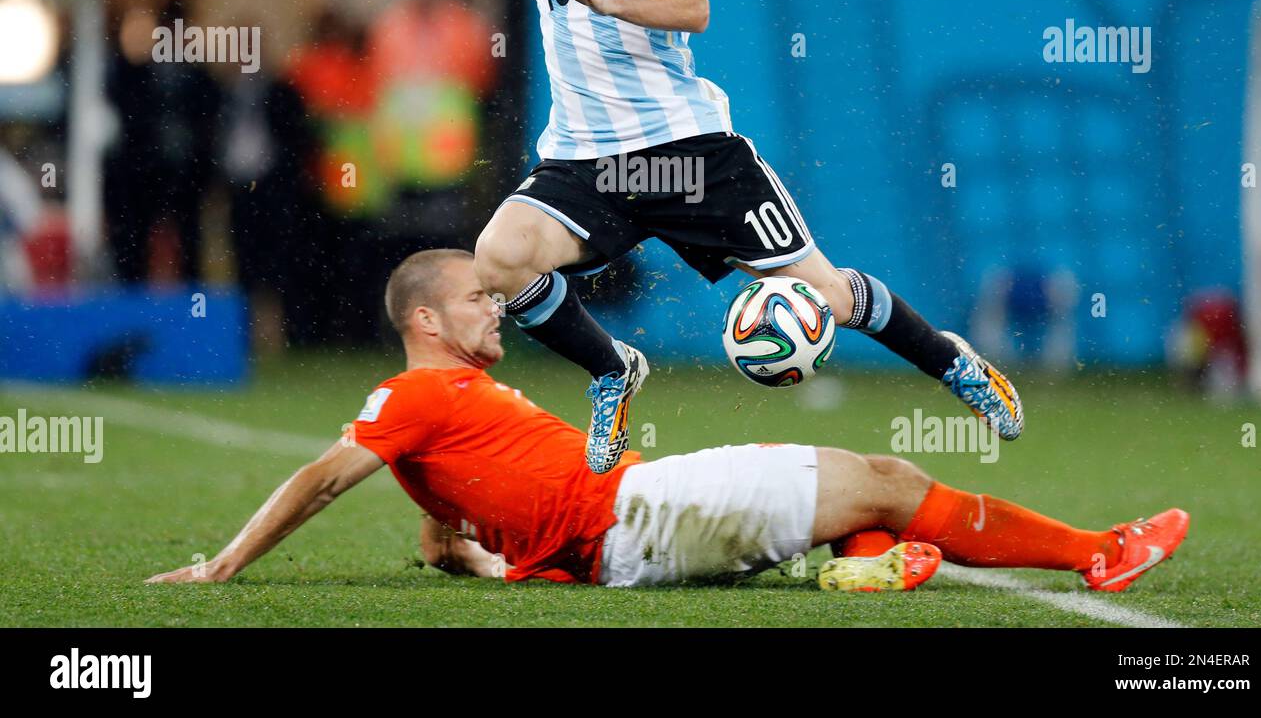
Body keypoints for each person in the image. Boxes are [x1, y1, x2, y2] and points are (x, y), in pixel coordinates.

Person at [474, 0, 1023, 476]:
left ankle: (951, 361)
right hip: (585, 158)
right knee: (498, 258)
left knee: (825, 293)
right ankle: (613, 371)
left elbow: (694, 6)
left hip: (686, 154)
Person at [145, 249, 1188, 593]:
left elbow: (437, 535)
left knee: (854, 506)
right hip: (636, 515)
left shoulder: (441, 412)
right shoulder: (414, 394)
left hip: (624, 530)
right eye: (478, 296)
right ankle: (1099, 550)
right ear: (425, 320)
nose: (497, 303)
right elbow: (324, 478)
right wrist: (224, 563)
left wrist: (489, 561)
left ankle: (857, 566)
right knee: (886, 473)